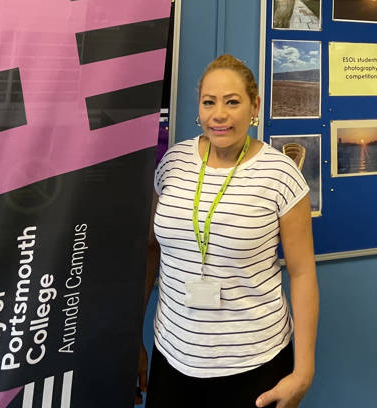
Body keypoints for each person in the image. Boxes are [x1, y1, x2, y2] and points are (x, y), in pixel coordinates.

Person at [136, 54, 318, 408]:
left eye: (232, 102)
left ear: (254, 106)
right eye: (209, 102)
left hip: (254, 364)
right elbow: (151, 250)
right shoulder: (172, 163)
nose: (219, 114)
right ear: (199, 108)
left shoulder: (280, 174)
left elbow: (302, 273)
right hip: (172, 357)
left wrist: (303, 373)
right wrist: (132, 340)